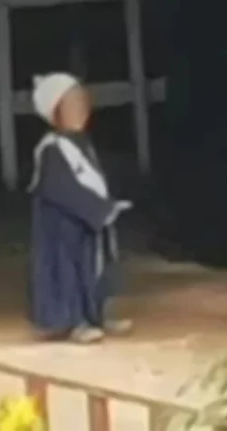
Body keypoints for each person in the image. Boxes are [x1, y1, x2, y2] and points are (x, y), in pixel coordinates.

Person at [27, 72, 134, 344]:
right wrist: (98, 209)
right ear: (55, 113)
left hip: (84, 225)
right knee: (69, 275)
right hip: (64, 229)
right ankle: (74, 321)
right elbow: (60, 188)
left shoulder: (82, 143)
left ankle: (97, 316)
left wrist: (107, 205)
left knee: (95, 271)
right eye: (71, 105)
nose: (80, 110)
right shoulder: (52, 149)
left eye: (82, 102)